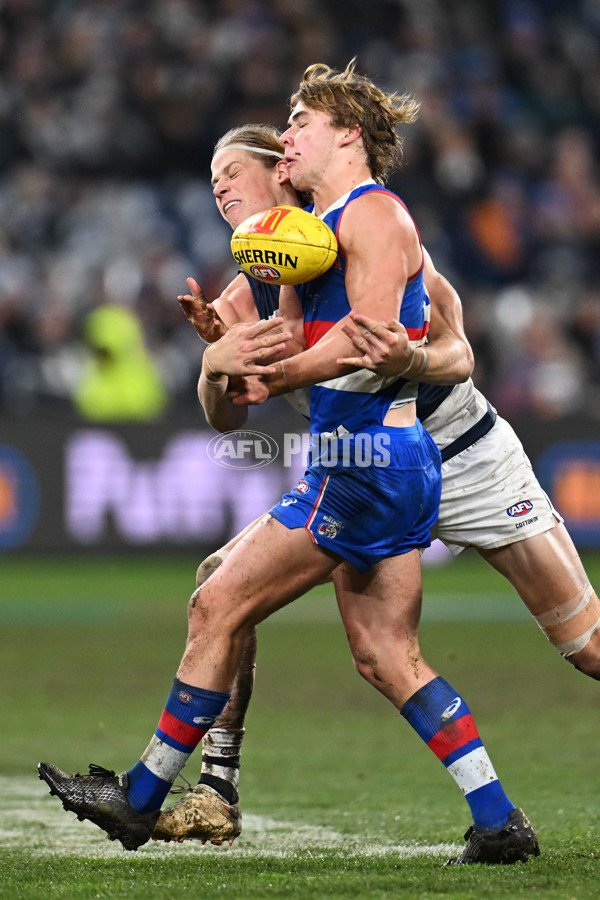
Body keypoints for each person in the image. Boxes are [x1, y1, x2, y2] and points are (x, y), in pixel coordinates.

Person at [38, 61, 540, 866]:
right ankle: (498, 817)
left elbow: (396, 340)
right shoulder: (294, 248)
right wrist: (219, 362)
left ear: (329, 141)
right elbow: (243, 389)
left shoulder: (371, 217)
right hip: (375, 456)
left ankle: (144, 797)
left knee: (217, 603)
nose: (287, 133)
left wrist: (284, 370)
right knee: (386, 656)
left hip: (377, 457)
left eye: (296, 125)